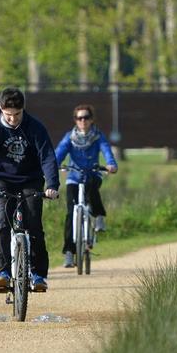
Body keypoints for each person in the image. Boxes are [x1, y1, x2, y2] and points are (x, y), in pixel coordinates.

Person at [0, 87, 60, 293]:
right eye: (8, 115)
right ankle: (2, 273)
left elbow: (47, 156)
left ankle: (38, 274)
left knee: (34, 225)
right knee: (2, 224)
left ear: (23, 109)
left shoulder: (35, 127)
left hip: (30, 180)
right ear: (0, 109)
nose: (13, 119)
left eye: (17, 114)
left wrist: (52, 185)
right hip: (2, 180)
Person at [54, 104, 118, 268]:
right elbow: (60, 152)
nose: (83, 121)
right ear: (75, 120)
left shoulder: (98, 136)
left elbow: (106, 151)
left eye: (86, 117)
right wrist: (54, 165)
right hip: (73, 177)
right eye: (79, 118)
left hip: (93, 173)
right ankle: (69, 253)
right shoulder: (69, 137)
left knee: (92, 187)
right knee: (70, 213)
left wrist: (110, 164)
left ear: (91, 119)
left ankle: (99, 215)